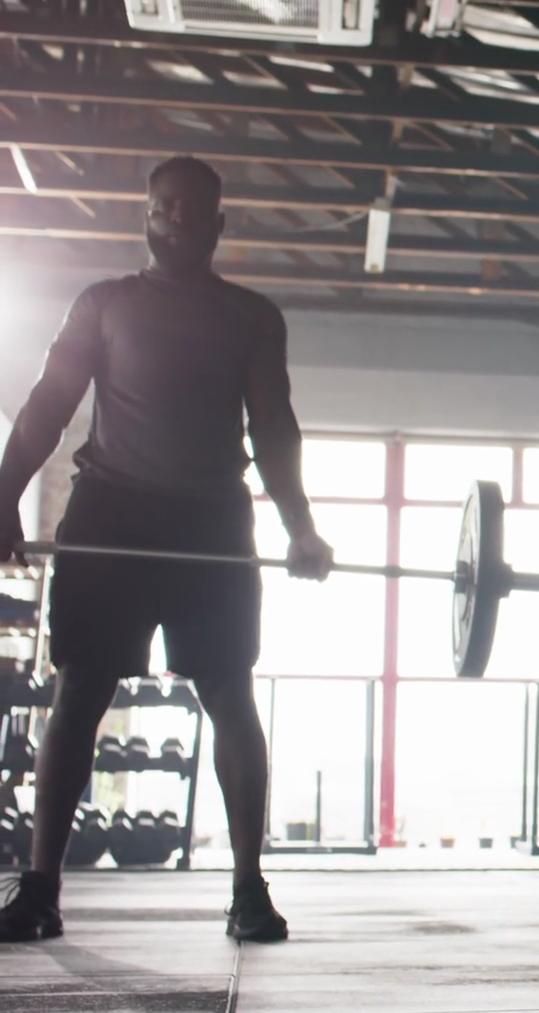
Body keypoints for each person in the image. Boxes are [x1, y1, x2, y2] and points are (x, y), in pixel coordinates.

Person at [0, 156, 334, 943]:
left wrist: (300, 525)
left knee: (229, 693)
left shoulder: (252, 316)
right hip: (109, 514)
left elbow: (274, 427)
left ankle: (248, 888)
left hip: (211, 520)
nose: (176, 218)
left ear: (219, 223)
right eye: (163, 206)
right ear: (146, 215)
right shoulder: (103, 303)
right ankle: (40, 888)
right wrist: (5, 492)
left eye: (191, 209)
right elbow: (50, 401)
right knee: (80, 691)